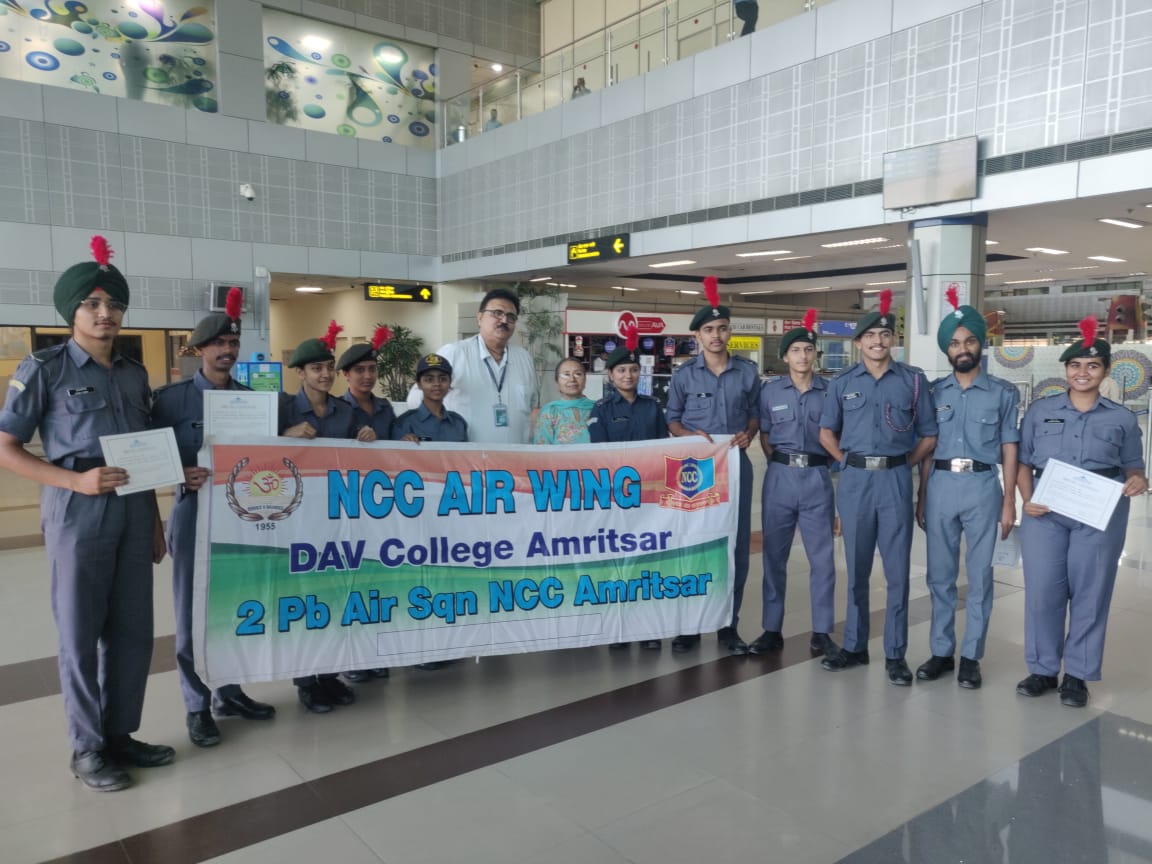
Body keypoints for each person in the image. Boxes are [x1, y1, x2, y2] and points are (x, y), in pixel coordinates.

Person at [0, 236, 173, 791]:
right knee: (80, 633)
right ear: (72, 312)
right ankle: (87, 747)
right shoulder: (44, 368)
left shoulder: (133, 373)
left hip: (133, 509)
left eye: (114, 305)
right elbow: (6, 448)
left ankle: (120, 734)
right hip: (78, 509)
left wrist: (154, 521)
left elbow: (144, 453)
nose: (105, 314)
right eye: (93, 304)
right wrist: (75, 479)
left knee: (133, 631)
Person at [150, 291, 276, 748]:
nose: (227, 350)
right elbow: (146, 459)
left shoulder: (253, 401)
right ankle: (196, 706)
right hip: (194, 512)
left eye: (233, 343)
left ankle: (229, 691)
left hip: (240, 518)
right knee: (192, 613)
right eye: (218, 344)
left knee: (232, 607)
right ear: (199, 349)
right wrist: (176, 473)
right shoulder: (170, 401)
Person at [1015, 317, 1146, 707]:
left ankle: (1077, 674)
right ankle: (1043, 669)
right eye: (1075, 365)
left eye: (1092, 365)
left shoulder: (1121, 418)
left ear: (1105, 370)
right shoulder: (1041, 411)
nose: (1082, 372)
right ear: (1066, 370)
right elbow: (1023, 462)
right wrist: (1026, 499)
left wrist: (1137, 480)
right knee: (1043, 592)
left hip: (1099, 513)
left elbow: (1134, 468)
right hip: (1045, 512)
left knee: (1091, 592)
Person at [818, 289, 937, 685]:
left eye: (885, 335)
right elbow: (825, 433)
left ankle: (895, 654)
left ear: (893, 340)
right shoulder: (842, 383)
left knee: (898, 571)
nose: (877, 342)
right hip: (855, 481)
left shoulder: (913, 381)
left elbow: (929, 435)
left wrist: (905, 464)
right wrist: (845, 462)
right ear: (858, 343)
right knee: (856, 568)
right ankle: (854, 646)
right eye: (869, 336)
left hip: (895, 480)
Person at [914, 291, 1019, 690]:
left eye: (970, 341)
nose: (963, 348)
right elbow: (926, 449)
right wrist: (922, 496)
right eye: (955, 343)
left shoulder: (1003, 393)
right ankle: (941, 651)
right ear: (947, 349)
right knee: (939, 575)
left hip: (982, 487)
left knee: (980, 575)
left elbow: (1010, 448)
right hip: (940, 485)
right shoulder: (933, 393)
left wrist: (1009, 501)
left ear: (980, 344)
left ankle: (971, 656)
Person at [665, 277, 760, 654]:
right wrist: (689, 436)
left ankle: (727, 624)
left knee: (735, 544)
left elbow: (755, 414)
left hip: (736, 466)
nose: (716, 335)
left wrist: (749, 433)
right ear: (697, 336)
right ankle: (691, 624)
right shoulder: (684, 375)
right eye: (709, 329)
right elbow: (672, 420)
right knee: (694, 542)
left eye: (722, 328)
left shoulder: (747, 372)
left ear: (729, 332)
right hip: (695, 471)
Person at [281, 322, 367, 712]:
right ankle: (306, 681)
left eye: (329, 367)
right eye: (316, 368)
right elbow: (255, 453)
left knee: (333, 596)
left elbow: (358, 457)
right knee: (303, 598)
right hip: (296, 519)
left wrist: (366, 440)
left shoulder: (344, 411)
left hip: (334, 518)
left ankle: (330, 674)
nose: (325, 374)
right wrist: (284, 436)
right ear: (300, 372)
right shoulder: (284, 409)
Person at [754, 310, 839, 658]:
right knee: (774, 557)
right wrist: (780, 462)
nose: (802, 356)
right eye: (795, 350)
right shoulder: (770, 392)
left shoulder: (831, 392)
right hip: (780, 478)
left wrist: (821, 465)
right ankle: (771, 629)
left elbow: (838, 436)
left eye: (808, 349)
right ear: (785, 356)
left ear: (815, 354)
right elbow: (765, 435)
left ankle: (822, 631)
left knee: (823, 560)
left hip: (817, 478)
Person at [588, 327, 669, 651]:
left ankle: (647, 628)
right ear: (610, 375)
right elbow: (598, 455)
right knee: (616, 562)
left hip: (647, 499)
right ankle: (619, 628)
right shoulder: (601, 410)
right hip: (616, 498)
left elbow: (662, 449)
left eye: (633, 369)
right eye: (621, 370)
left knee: (647, 562)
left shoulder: (652, 407)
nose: (628, 375)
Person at [334, 327, 397, 684]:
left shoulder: (386, 408)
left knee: (379, 583)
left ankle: (375, 650)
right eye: (359, 370)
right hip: (350, 509)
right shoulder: (337, 410)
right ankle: (352, 657)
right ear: (346, 375)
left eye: (372, 369)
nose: (367, 376)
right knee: (351, 583)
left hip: (384, 510)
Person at [412, 288, 537, 444]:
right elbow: (416, 399)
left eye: (511, 317)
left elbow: (532, 406)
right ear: (479, 318)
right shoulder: (454, 353)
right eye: (497, 313)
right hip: (465, 455)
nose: (504, 320)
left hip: (515, 455)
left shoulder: (523, 358)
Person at [393, 353, 469, 443]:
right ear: (419, 384)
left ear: (450, 383)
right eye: (429, 379)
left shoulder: (458, 422)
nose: (437, 384)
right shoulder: (405, 422)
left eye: (443, 379)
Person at [533, 358, 594, 445]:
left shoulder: (598, 409)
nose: (572, 379)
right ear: (557, 382)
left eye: (578, 374)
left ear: (585, 379)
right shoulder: (549, 412)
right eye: (566, 375)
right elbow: (541, 448)